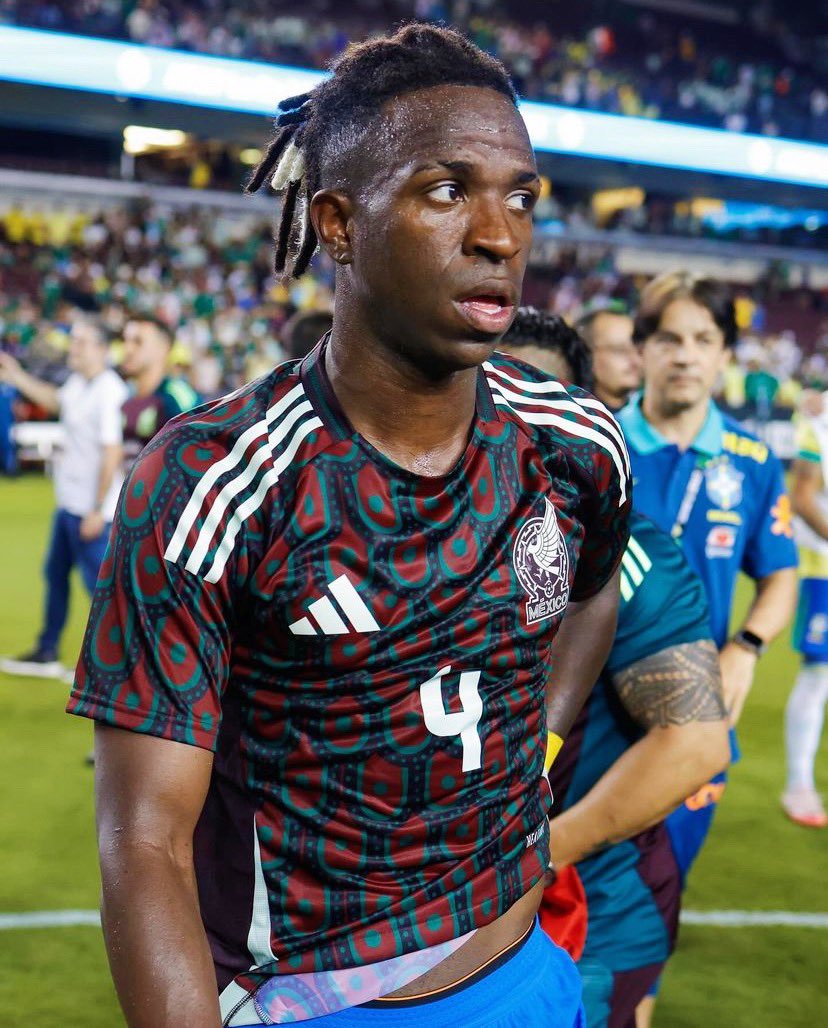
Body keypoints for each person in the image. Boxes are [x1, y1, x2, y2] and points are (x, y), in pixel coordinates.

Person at [67, 25, 631, 1028]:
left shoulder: (575, 443)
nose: (501, 234)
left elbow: (592, 591)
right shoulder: (214, 482)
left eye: (522, 194)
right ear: (336, 223)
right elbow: (143, 838)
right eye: (446, 190)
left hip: (534, 977)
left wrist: (540, 745)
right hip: (320, 1003)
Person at [503, 309, 729, 1026]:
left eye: (543, 402)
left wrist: (527, 858)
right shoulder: (409, 532)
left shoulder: (626, 548)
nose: (517, 428)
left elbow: (694, 743)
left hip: (588, 909)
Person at [616, 272, 798, 1023]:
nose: (685, 357)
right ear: (641, 351)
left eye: (702, 340)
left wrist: (747, 647)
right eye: (668, 339)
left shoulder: (754, 463)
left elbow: (781, 576)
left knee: (658, 902)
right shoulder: (601, 445)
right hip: (596, 717)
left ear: (725, 355)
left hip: (695, 726)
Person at [0, 315, 128, 677]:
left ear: (102, 350)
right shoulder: (79, 384)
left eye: (83, 343)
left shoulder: (109, 391)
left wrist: (96, 508)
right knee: (55, 575)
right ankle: (47, 648)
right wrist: (17, 376)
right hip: (69, 504)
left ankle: (119, 663)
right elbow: (56, 401)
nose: (74, 348)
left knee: (100, 589)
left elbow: (112, 453)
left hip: (91, 511)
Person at [784, 409, 828, 827]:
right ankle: (799, 783)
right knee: (819, 674)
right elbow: (801, 497)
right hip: (824, 569)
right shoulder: (820, 423)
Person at [119, 314, 200, 469]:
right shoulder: (120, 392)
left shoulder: (177, 396)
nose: (127, 349)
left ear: (163, 348)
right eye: (124, 340)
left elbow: (196, 457)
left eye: (138, 342)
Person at [575, 306, 640, 413]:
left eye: (638, 350)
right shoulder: (574, 419)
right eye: (619, 350)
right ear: (587, 354)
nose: (635, 360)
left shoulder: (649, 414)